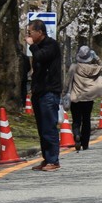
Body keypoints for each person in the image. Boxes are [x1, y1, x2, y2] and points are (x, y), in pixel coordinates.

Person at [26, 19, 63, 171]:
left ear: (39, 32)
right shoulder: (38, 47)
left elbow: (41, 57)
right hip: (39, 91)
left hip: (49, 91)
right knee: (42, 128)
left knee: (49, 127)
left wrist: (32, 45)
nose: (28, 35)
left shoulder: (51, 45)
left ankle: (53, 160)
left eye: (31, 32)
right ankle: (46, 158)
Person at [66, 45, 102, 151]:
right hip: (88, 98)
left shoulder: (74, 67)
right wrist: (97, 58)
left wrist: (64, 93)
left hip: (76, 97)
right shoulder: (94, 68)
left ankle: (76, 135)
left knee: (76, 120)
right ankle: (85, 143)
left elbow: (67, 82)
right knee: (86, 120)